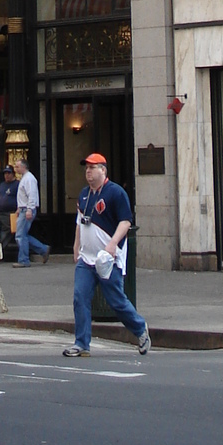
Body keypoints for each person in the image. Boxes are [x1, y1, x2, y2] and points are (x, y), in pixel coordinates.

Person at [64, 153, 150, 358]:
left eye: (92, 168)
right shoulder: (84, 195)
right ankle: (82, 343)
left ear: (103, 170)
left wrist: (112, 245)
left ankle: (140, 329)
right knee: (80, 298)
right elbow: (80, 222)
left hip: (107, 259)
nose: (88, 172)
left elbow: (125, 222)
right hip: (87, 258)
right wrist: (77, 245)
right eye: (86, 168)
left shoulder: (116, 193)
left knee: (116, 301)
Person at [14, 158, 49, 266]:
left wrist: (29, 209)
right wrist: (20, 208)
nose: (16, 169)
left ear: (24, 167)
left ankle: (24, 260)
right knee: (23, 235)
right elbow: (26, 196)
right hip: (24, 209)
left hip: (27, 209)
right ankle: (43, 249)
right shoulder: (26, 178)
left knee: (20, 235)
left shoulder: (28, 179)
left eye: (17, 166)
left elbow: (32, 195)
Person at [0, 165, 19, 246]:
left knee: (5, 235)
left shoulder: (17, 184)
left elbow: (21, 199)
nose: (7, 175)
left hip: (9, 213)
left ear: (13, 174)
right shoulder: (2, 185)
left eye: (9, 173)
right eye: (5, 173)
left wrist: (17, 212)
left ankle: (0, 251)